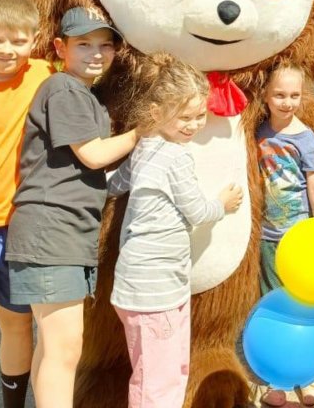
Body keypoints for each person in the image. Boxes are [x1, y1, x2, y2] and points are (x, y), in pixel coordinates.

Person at [5, 7, 138, 408]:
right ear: (60, 47)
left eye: (104, 45)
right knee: (65, 349)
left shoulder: (84, 95)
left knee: (54, 346)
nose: (96, 53)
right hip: (51, 231)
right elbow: (95, 155)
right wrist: (147, 130)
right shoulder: (64, 89)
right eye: (84, 44)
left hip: (63, 232)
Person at [106, 52, 243, 408]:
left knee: (155, 372)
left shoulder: (144, 148)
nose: (194, 125)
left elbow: (115, 184)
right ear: (155, 113)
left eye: (200, 116)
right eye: (185, 117)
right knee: (160, 381)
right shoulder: (174, 156)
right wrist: (223, 204)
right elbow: (196, 209)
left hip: (141, 286)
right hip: (157, 291)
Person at [0, 0, 53, 408]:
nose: (5, 49)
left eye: (17, 40)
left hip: (18, 224)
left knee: (15, 321)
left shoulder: (46, 74)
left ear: (34, 41)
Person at [257, 64, 314, 408]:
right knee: (271, 302)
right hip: (267, 236)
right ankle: (273, 375)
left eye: (295, 95)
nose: (287, 102)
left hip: (299, 236)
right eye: (280, 95)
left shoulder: (305, 137)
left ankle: (309, 371)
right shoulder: (258, 133)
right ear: (266, 96)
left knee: (304, 301)